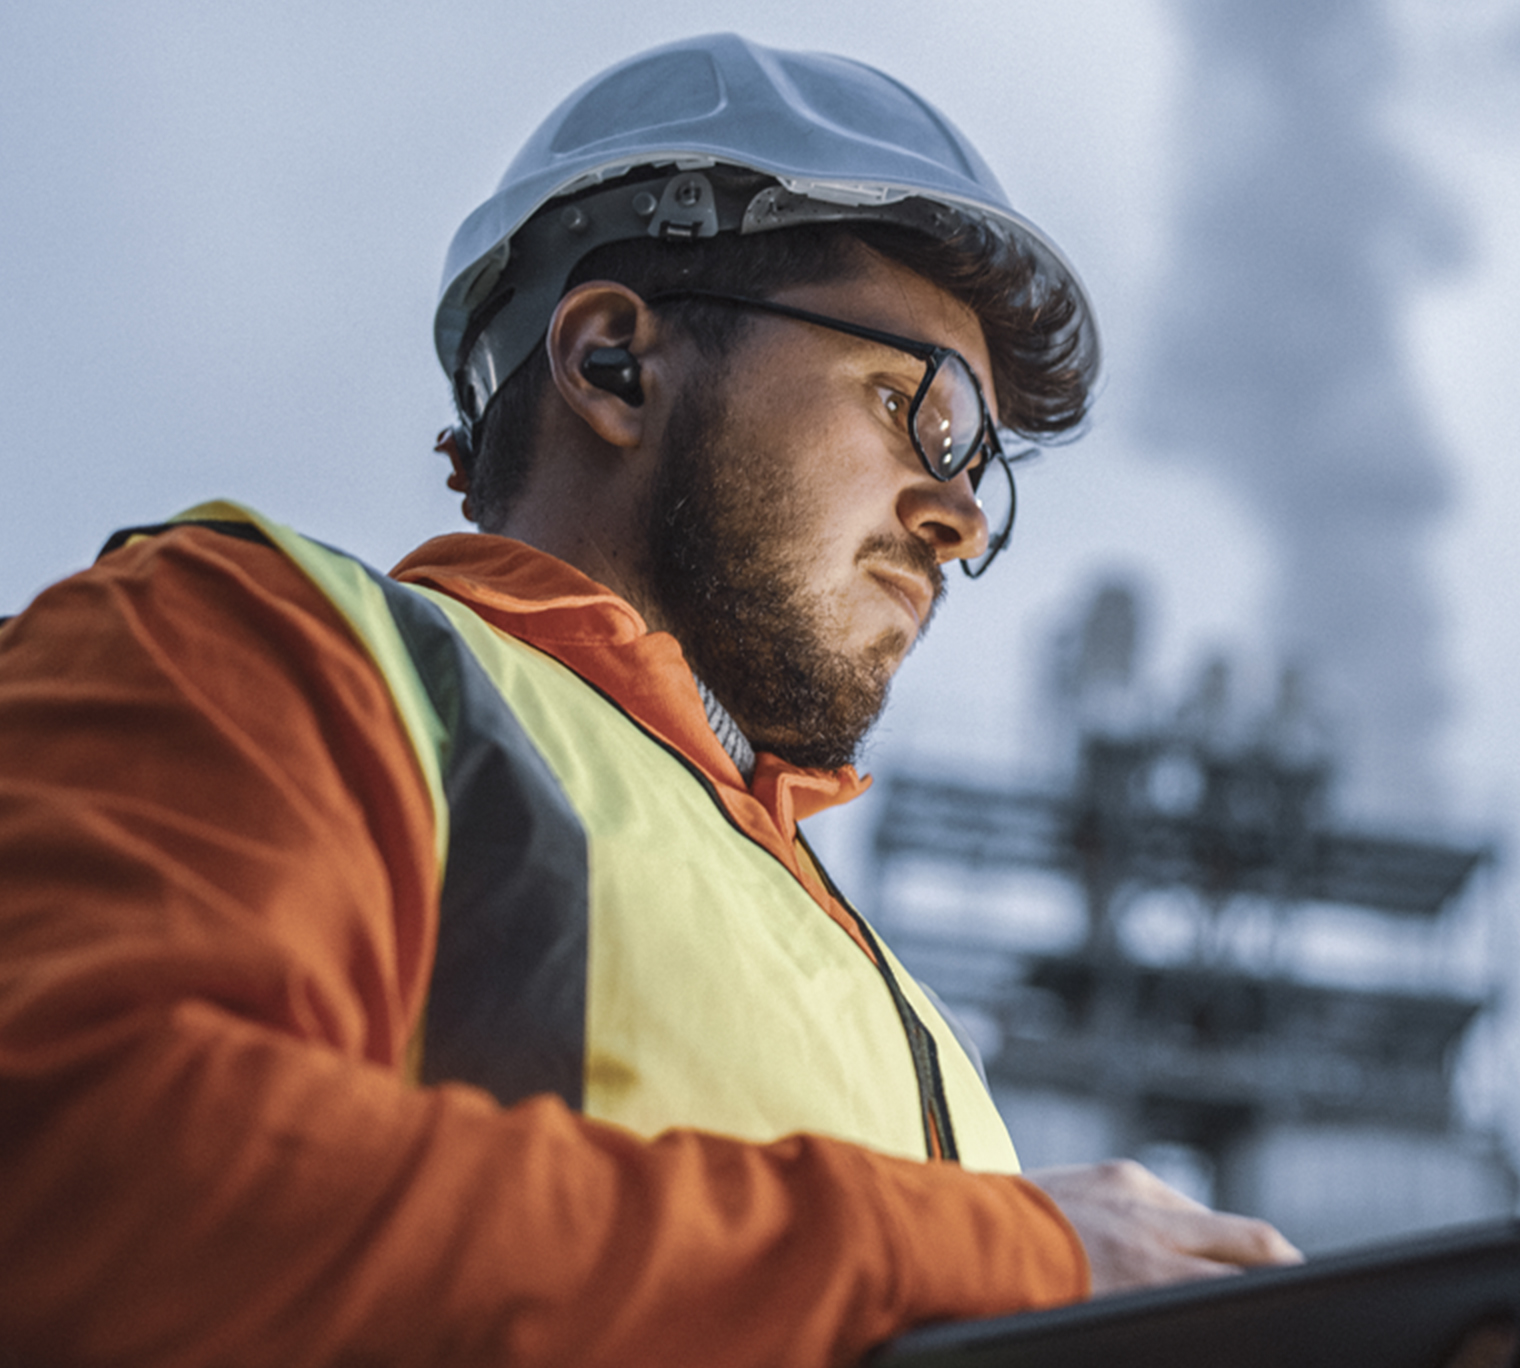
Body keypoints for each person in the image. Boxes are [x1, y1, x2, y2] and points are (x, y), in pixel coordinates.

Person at [0, 33, 1302, 1368]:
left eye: (987, 466)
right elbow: (84, 1181)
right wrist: (991, 1250)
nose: (964, 520)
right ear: (616, 360)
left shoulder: (902, 1019)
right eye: (927, 411)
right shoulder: (263, 650)